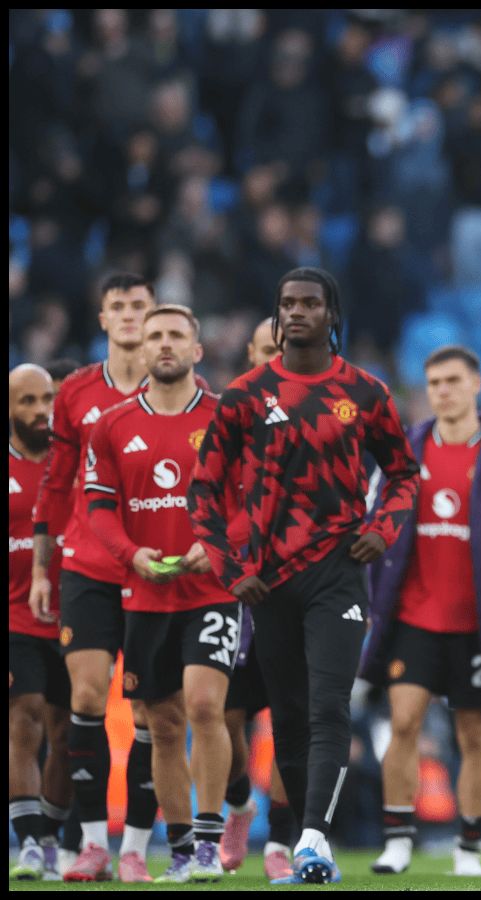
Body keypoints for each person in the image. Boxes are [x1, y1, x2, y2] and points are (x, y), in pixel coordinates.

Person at [188, 267, 420, 885]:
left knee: (327, 706)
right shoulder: (245, 394)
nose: (296, 313)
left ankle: (314, 840)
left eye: (309, 303)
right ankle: (296, 841)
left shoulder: (365, 391)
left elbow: (402, 473)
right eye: (287, 303)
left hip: (339, 574)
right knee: (287, 716)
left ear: (332, 313)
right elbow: (204, 489)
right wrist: (230, 569)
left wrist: (381, 529)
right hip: (266, 582)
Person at [84, 305, 236, 882]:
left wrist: (215, 545)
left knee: (203, 705)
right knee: (165, 725)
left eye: (177, 335)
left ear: (198, 351)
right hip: (144, 593)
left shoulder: (228, 420)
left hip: (213, 588)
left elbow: (251, 503)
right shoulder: (112, 425)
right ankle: (179, 850)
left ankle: (207, 845)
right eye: (155, 337)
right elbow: (98, 507)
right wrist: (132, 556)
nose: (165, 344)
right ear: (141, 351)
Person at [362, 345, 481, 877]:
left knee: (474, 736)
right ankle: (399, 840)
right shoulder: (405, 452)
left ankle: (469, 848)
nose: (442, 391)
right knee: (403, 721)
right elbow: (376, 528)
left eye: (452, 380)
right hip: (414, 617)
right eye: (433, 383)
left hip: (479, 623)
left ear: (477, 384)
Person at [32, 274, 162, 883]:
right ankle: (89, 844)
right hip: (86, 564)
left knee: (146, 712)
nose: (131, 316)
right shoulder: (78, 391)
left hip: (154, 569)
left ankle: (135, 846)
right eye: (120, 307)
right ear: (103, 318)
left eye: (141, 306)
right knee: (84, 699)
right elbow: (54, 484)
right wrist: (42, 567)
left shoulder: (179, 387)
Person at [220, 316, 297, 881]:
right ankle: (241, 802)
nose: (277, 361)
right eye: (267, 350)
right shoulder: (225, 418)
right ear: (250, 354)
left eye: (286, 351)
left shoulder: (322, 416)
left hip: (298, 593)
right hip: (232, 592)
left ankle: (283, 841)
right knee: (221, 715)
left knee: (296, 722)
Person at [9, 364, 71, 881]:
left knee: (68, 732)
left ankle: (52, 833)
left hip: (76, 619)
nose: (39, 411)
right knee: (23, 716)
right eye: (27, 400)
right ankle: (29, 841)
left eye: (47, 398)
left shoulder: (71, 464)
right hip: (14, 617)